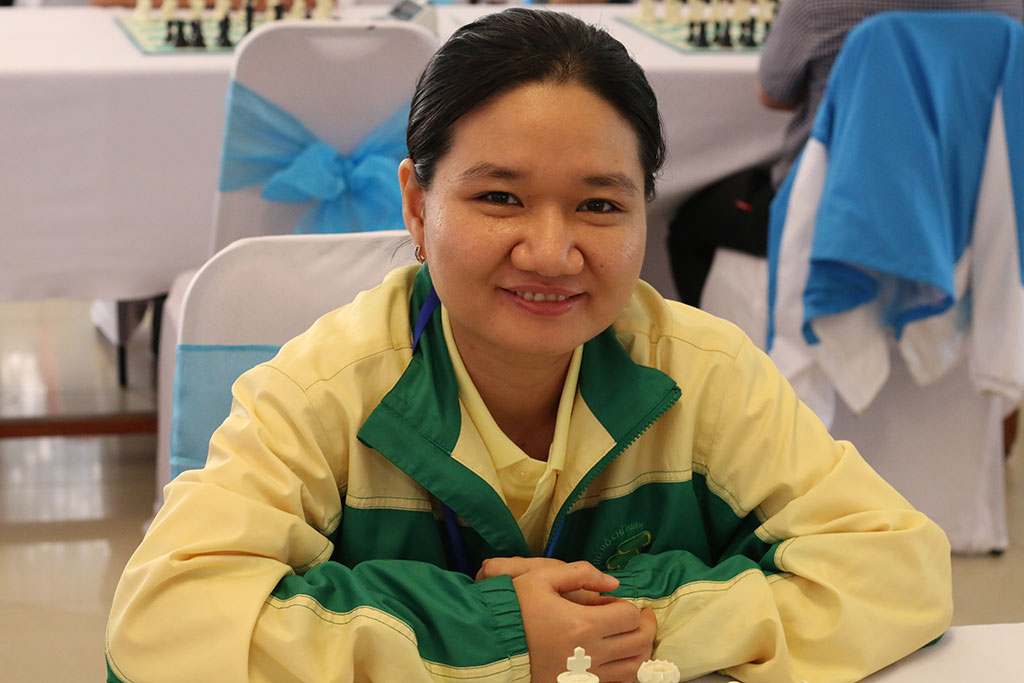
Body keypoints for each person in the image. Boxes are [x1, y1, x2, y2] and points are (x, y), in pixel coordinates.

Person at [106, 8, 952, 683]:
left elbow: (899, 567)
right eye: (501, 198)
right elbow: (160, 624)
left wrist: (623, 626)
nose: (551, 253)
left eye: (600, 206)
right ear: (417, 205)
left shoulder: (703, 374)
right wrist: (496, 633)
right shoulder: (326, 389)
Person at [667, 0, 1024, 308]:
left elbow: (774, 94)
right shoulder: (1012, 8)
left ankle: (716, 358)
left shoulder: (815, 5)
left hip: (833, 212)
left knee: (690, 224)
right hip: (969, 207)